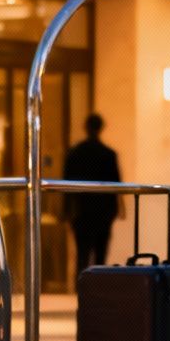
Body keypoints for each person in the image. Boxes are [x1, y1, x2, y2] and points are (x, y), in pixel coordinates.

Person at [63, 113, 122, 271]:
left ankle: (81, 289)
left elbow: (66, 184)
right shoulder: (108, 155)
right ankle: (99, 288)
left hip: (81, 211)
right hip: (103, 211)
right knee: (100, 255)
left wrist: (66, 210)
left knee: (82, 254)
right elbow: (116, 184)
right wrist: (118, 208)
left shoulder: (75, 153)